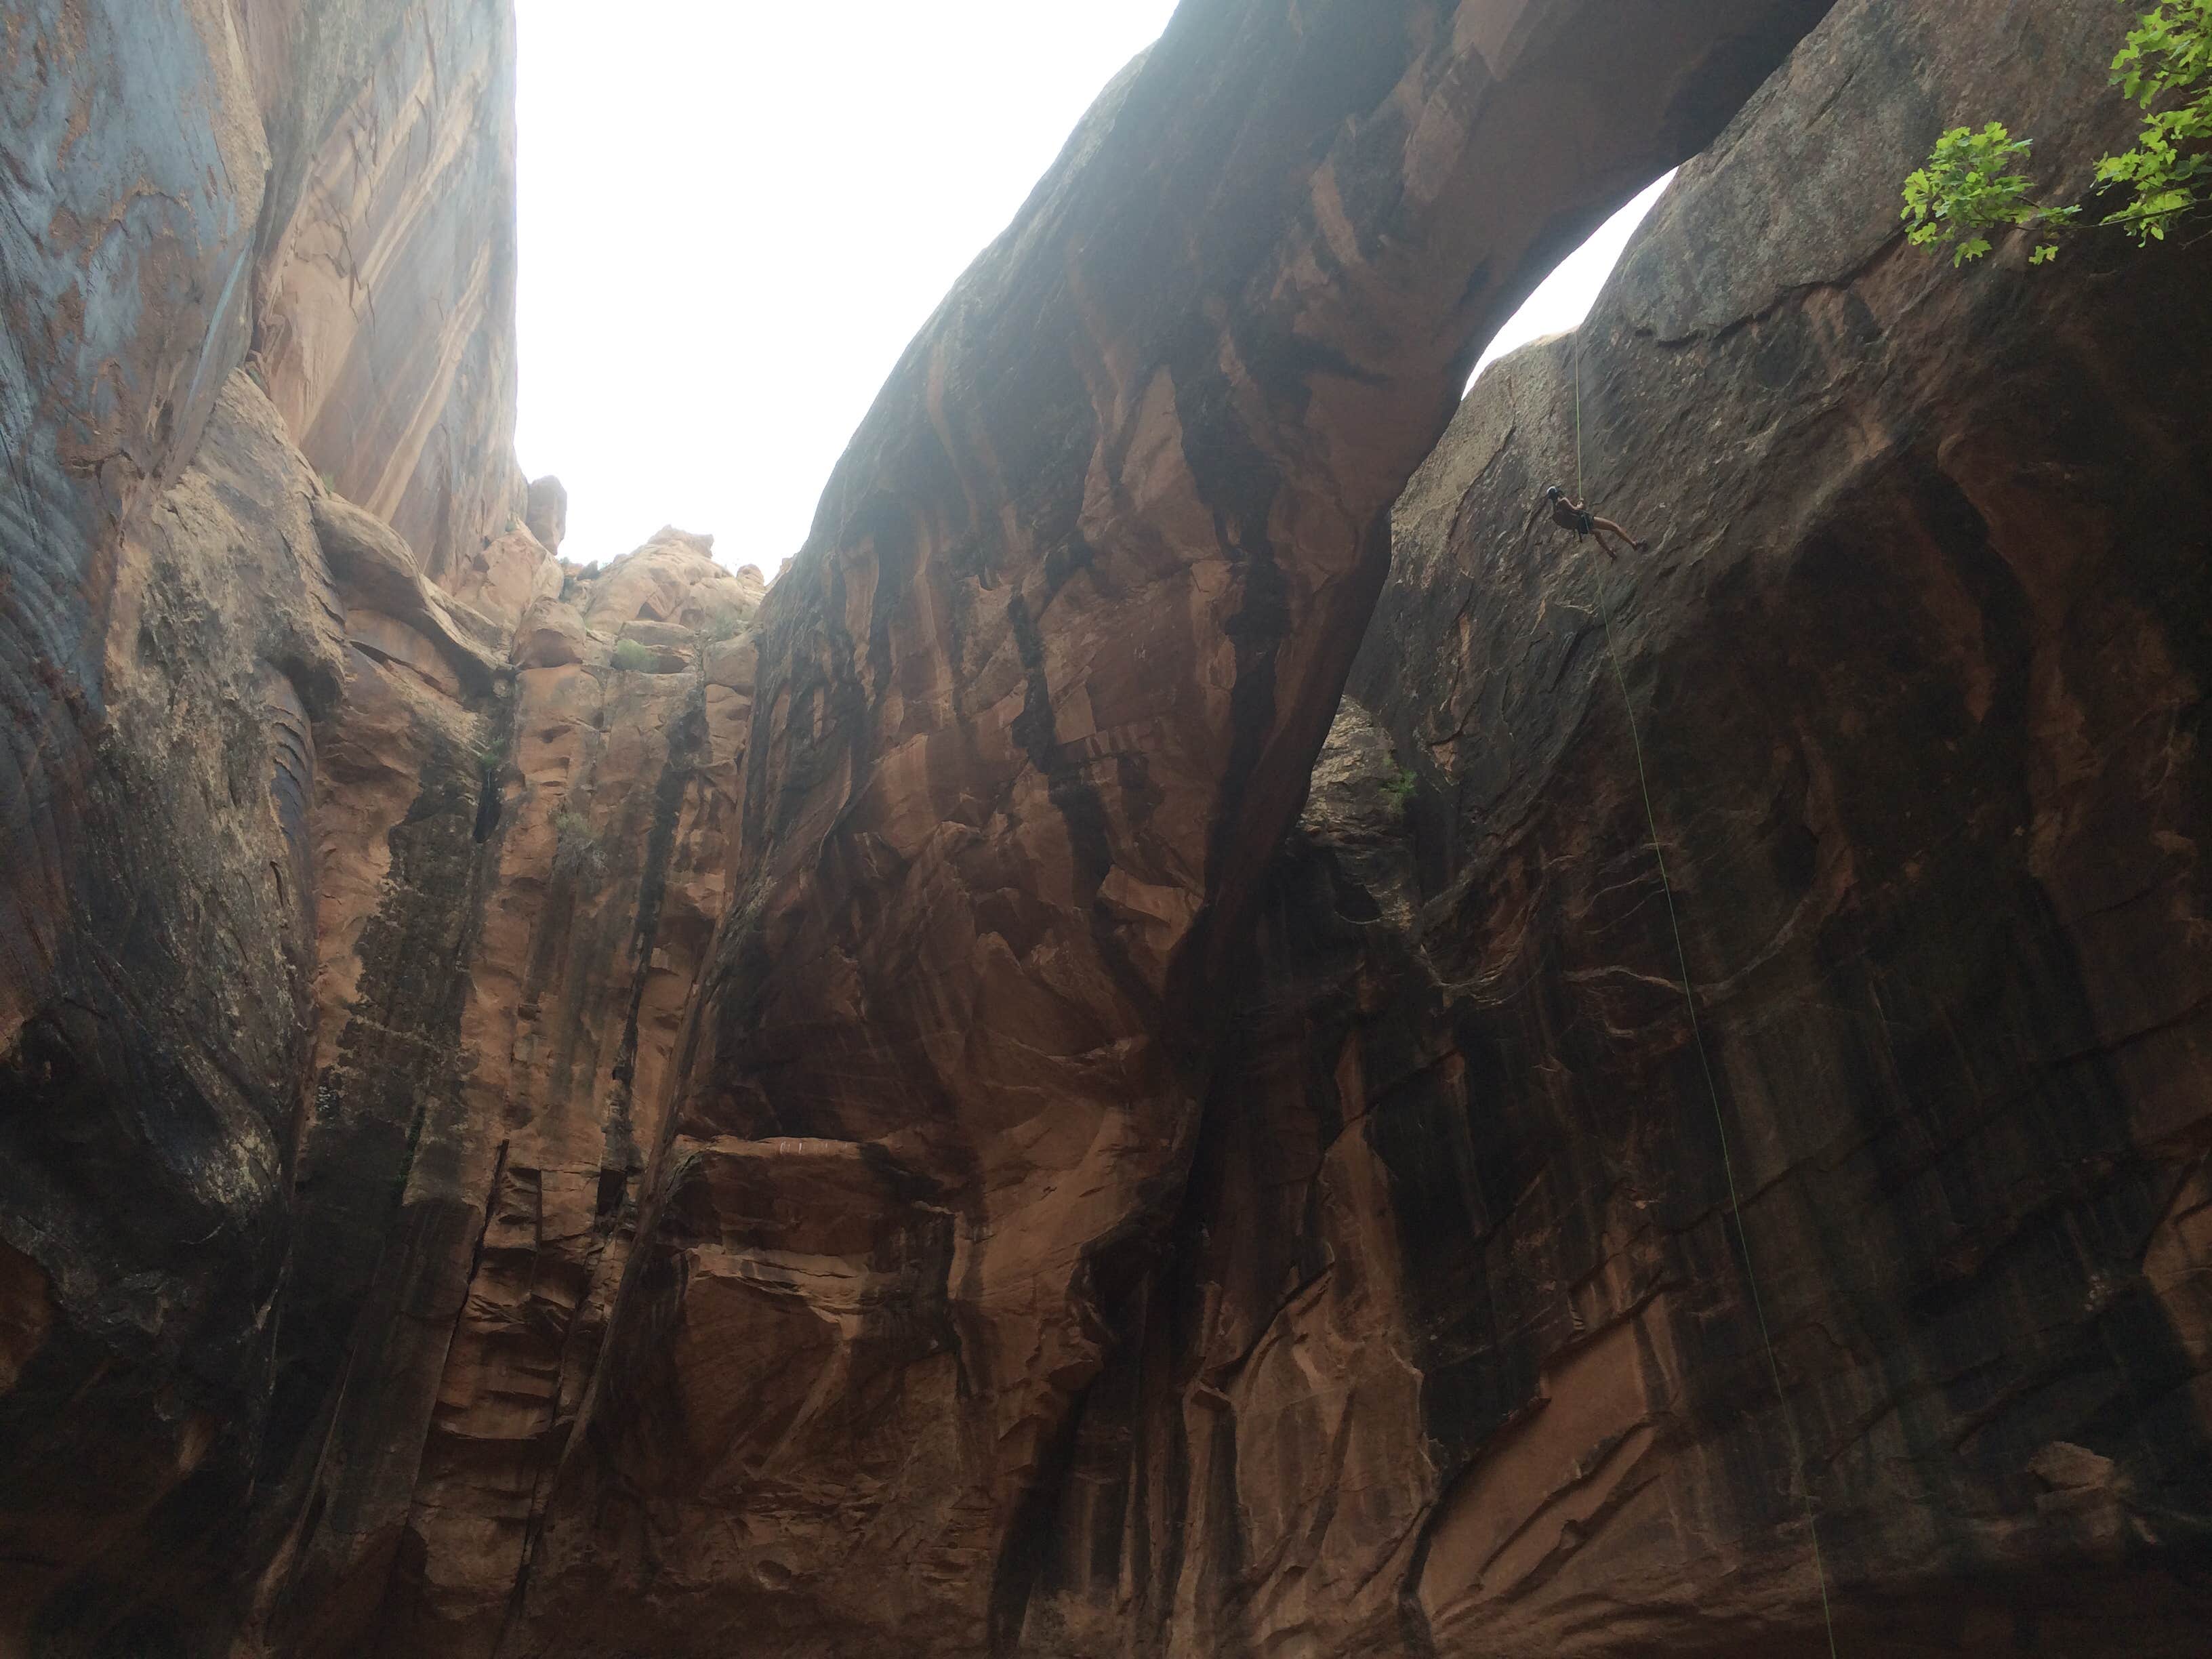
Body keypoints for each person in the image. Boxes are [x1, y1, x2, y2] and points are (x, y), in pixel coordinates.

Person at [1544, 485, 1647, 557]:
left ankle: (1610, 553)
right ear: (1558, 492)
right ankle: (1634, 544)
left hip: (1580, 527)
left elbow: (1568, 515)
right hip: (1585, 520)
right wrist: (1581, 504)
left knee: (1597, 534)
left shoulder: (1556, 509)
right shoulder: (1563, 501)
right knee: (1613, 527)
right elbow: (1576, 510)